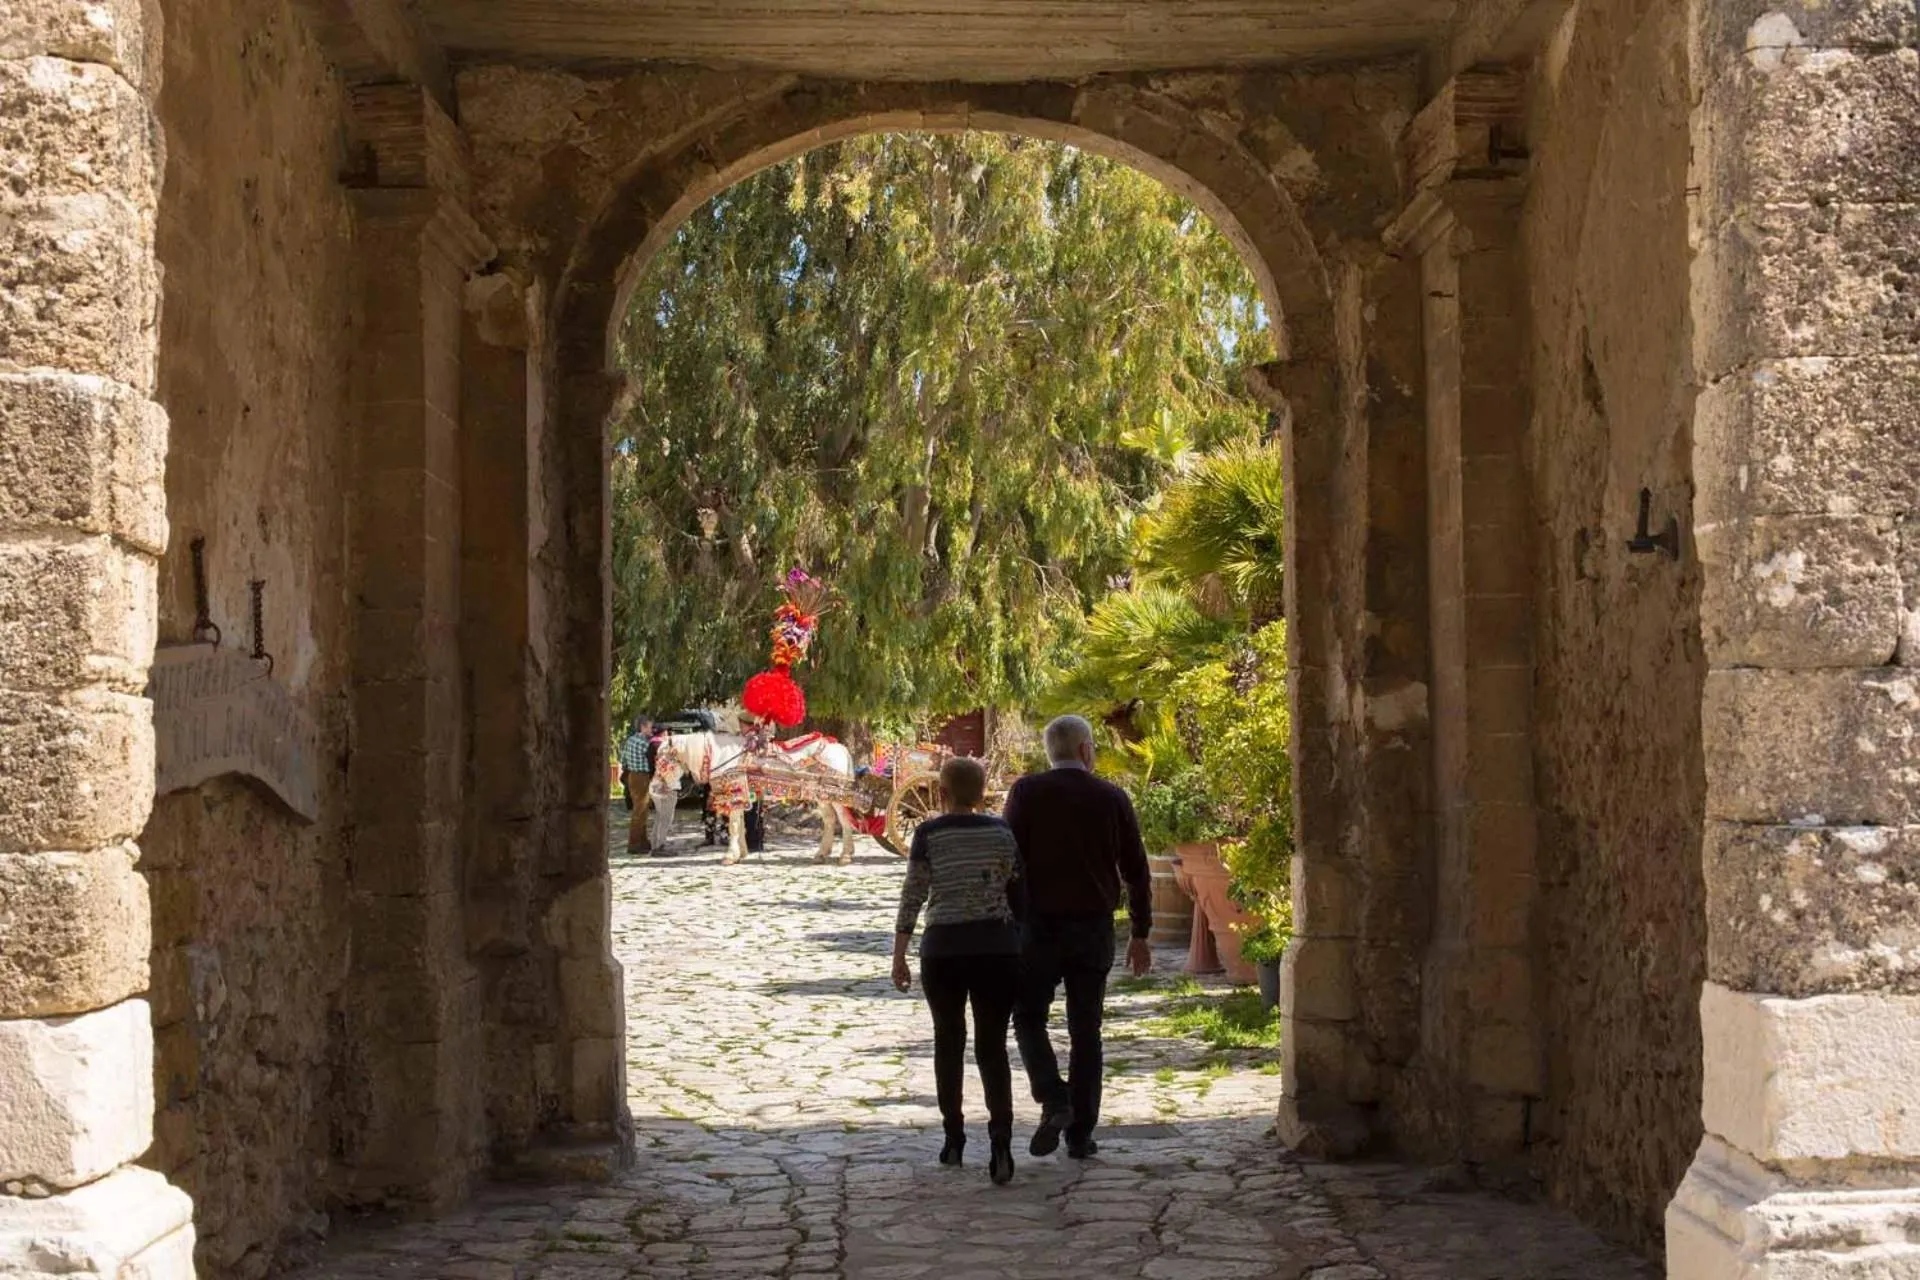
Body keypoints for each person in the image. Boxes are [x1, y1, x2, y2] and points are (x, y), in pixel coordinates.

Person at [1004, 714, 1152, 1160]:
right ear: (1087, 749)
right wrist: (1141, 933)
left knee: (1028, 1016)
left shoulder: (1026, 793)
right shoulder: (1111, 797)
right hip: (1093, 929)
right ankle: (1081, 1135)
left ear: (1051, 751)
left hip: (1039, 927)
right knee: (1086, 1030)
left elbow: (1010, 860)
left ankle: (1054, 1098)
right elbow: (1137, 870)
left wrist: (1011, 920)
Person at [891, 757, 1025, 1185]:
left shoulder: (929, 834)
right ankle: (1001, 1141)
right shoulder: (1003, 832)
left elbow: (913, 893)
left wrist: (899, 953)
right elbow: (1018, 888)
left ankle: (953, 1139)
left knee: (948, 1043)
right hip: (997, 949)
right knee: (992, 1048)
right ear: (983, 793)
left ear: (942, 793)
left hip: (944, 950)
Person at [617, 717, 654, 855]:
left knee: (642, 809)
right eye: (650, 727)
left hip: (632, 775)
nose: (651, 730)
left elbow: (623, 760)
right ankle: (634, 843)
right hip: (642, 776)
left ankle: (643, 841)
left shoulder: (630, 740)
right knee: (640, 810)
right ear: (643, 727)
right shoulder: (644, 743)